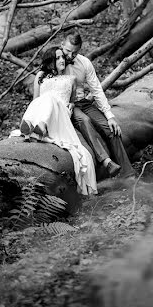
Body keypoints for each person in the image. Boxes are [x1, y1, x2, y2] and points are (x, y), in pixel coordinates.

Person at [20, 47, 98, 196]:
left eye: (62, 57)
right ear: (50, 62)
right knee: (44, 99)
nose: (62, 60)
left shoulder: (71, 79)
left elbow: (72, 101)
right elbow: (35, 100)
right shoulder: (40, 76)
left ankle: (38, 126)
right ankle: (31, 125)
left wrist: (72, 105)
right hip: (42, 109)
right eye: (57, 58)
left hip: (60, 115)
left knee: (50, 98)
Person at [61, 31, 134, 178]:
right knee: (85, 120)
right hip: (66, 105)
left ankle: (128, 174)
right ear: (62, 45)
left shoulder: (84, 63)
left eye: (74, 53)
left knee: (111, 129)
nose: (70, 56)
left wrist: (109, 116)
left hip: (83, 103)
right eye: (68, 51)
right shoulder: (55, 62)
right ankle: (106, 162)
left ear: (79, 50)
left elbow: (97, 90)